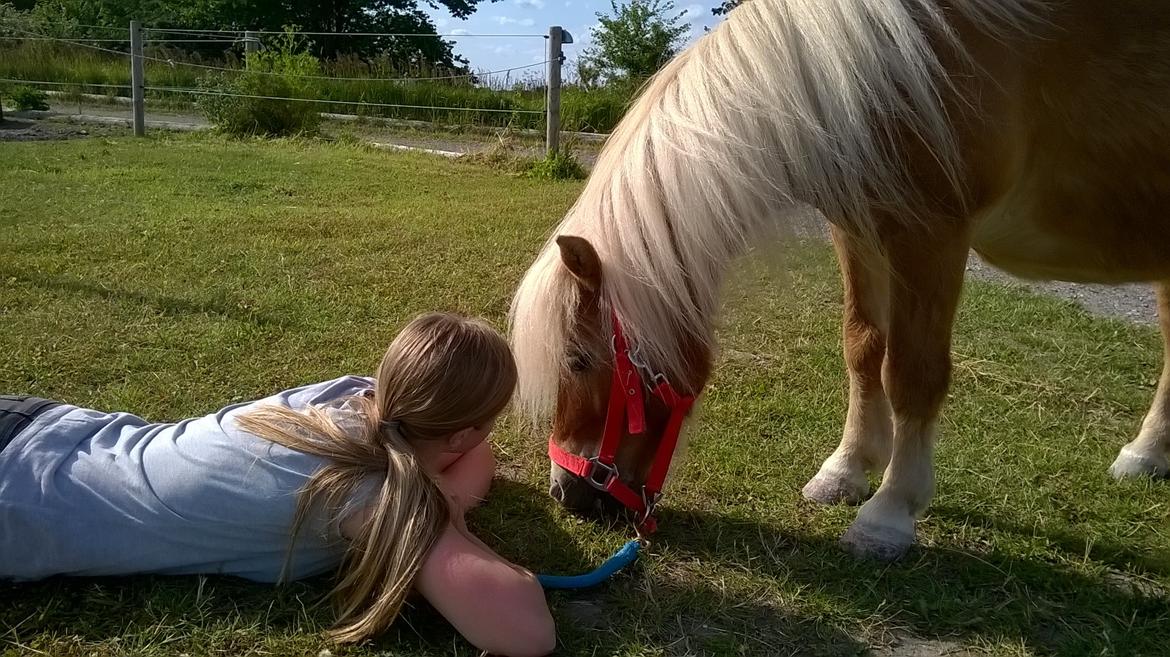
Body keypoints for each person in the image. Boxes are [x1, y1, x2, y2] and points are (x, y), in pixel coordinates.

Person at [0, 312, 555, 656]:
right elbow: (526, 630)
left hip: (52, 428)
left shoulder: (344, 398)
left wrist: (441, 501)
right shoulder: (362, 494)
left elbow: (476, 452)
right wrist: (443, 511)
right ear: (457, 435)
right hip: (17, 498)